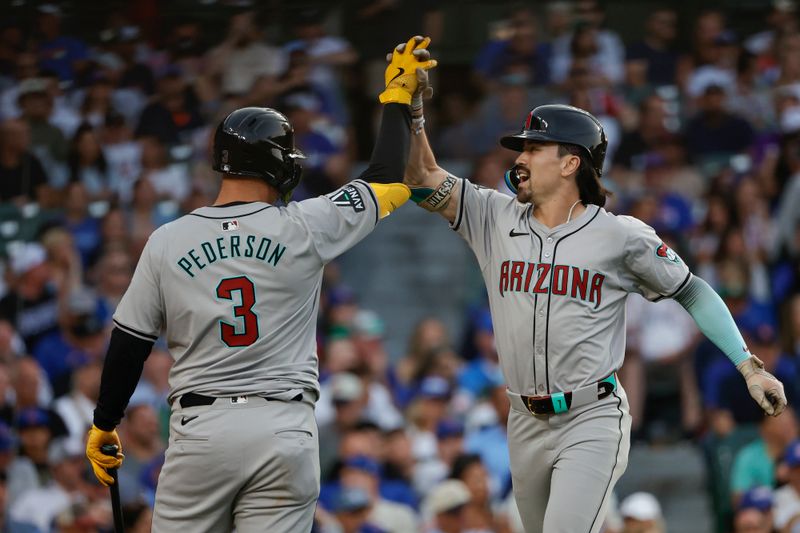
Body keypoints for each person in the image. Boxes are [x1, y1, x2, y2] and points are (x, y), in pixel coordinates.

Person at [392, 38, 787, 533]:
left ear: (571, 162)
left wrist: (749, 368)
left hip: (590, 417)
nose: (522, 157)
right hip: (523, 419)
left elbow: (692, 290)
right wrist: (411, 109)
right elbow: (423, 175)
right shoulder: (494, 216)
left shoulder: (619, 235)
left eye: (534, 148)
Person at [84, 36, 435, 532]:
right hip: (283, 428)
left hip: (201, 431)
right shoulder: (306, 224)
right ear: (275, 161)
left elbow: (129, 341)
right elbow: (384, 175)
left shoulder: (168, 240)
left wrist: (105, 421)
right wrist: (398, 97)